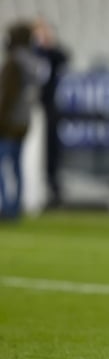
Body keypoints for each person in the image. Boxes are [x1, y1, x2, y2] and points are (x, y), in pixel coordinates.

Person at [0, 21, 48, 221]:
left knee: (4, 165)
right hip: (25, 120)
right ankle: (15, 206)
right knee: (17, 165)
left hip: (8, 122)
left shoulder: (14, 63)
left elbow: (7, 96)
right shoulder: (33, 63)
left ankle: (7, 205)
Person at [33, 18, 70, 208]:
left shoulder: (52, 55)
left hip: (48, 108)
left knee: (52, 150)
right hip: (31, 110)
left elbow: (64, 57)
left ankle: (53, 188)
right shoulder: (30, 54)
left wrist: (48, 43)